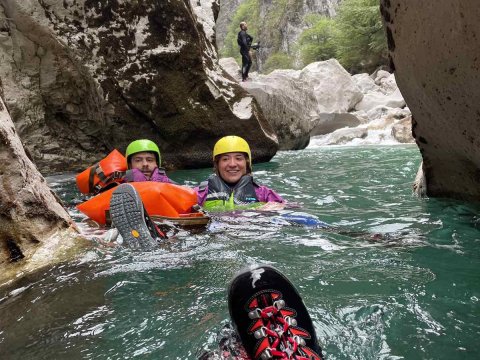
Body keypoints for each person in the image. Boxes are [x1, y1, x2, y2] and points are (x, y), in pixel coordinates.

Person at [195, 135, 284, 211]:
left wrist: (276, 207)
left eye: (238, 158)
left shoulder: (264, 194)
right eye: (225, 159)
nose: (232, 164)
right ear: (217, 165)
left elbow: (290, 208)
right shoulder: (200, 194)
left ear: (247, 163)